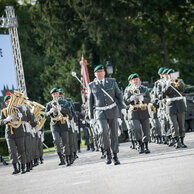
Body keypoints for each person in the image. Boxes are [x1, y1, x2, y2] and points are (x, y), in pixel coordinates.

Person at [88, 64, 125, 165]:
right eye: (97, 72)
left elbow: (119, 95)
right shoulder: (92, 85)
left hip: (112, 110)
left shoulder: (112, 82)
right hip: (100, 112)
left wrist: (122, 107)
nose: (99, 74)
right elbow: (90, 102)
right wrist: (91, 116)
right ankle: (107, 153)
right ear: (95, 74)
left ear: (104, 73)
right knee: (103, 132)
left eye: (101, 72)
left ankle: (115, 156)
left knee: (114, 134)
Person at [124, 73, 151, 154]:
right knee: (136, 129)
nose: (136, 81)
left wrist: (143, 99)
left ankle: (146, 146)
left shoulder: (144, 89)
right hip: (134, 111)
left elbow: (149, 99)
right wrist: (130, 99)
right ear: (130, 81)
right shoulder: (128, 90)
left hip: (143, 110)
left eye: (137, 79)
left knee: (146, 129)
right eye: (134, 80)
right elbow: (125, 101)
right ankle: (140, 144)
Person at [0, 95, 27, 174]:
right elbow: (0, 121)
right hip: (9, 133)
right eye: (7, 102)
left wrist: (21, 116)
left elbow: (26, 118)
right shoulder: (3, 111)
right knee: (12, 151)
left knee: (21, 151)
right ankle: (15, 168)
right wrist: (6, 120)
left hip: (19, 132)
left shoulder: (18, 109)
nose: (9, 103)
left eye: (10, 101)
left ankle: (22, 167)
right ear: (5, 103)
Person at [161, 69, 187, 148]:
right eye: (170, 75)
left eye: (173, 74)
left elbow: (183, 89)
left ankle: (182, 141)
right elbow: (162, 95)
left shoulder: (180, 80)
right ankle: (176, 141)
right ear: (167, 76)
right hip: (171, 105)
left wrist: (177, 83)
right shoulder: (165, 83)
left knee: (181, 124)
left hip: (180, 104)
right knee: (174, 124)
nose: (171, 76)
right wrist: (168, 85)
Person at [45, 88, 71, 166]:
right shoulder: (49, 104)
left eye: (56, 94)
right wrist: (49, 112)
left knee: (65, 142)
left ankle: (67, 159)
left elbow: (68, 111)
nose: (55, 95)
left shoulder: (64, 102)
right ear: (52, 95)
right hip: (54, 124)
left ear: (58, 94)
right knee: (56, 141)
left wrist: (61, 109)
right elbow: (45, 115)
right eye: (54, 94)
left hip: (63, 123)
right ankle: (61, 157)